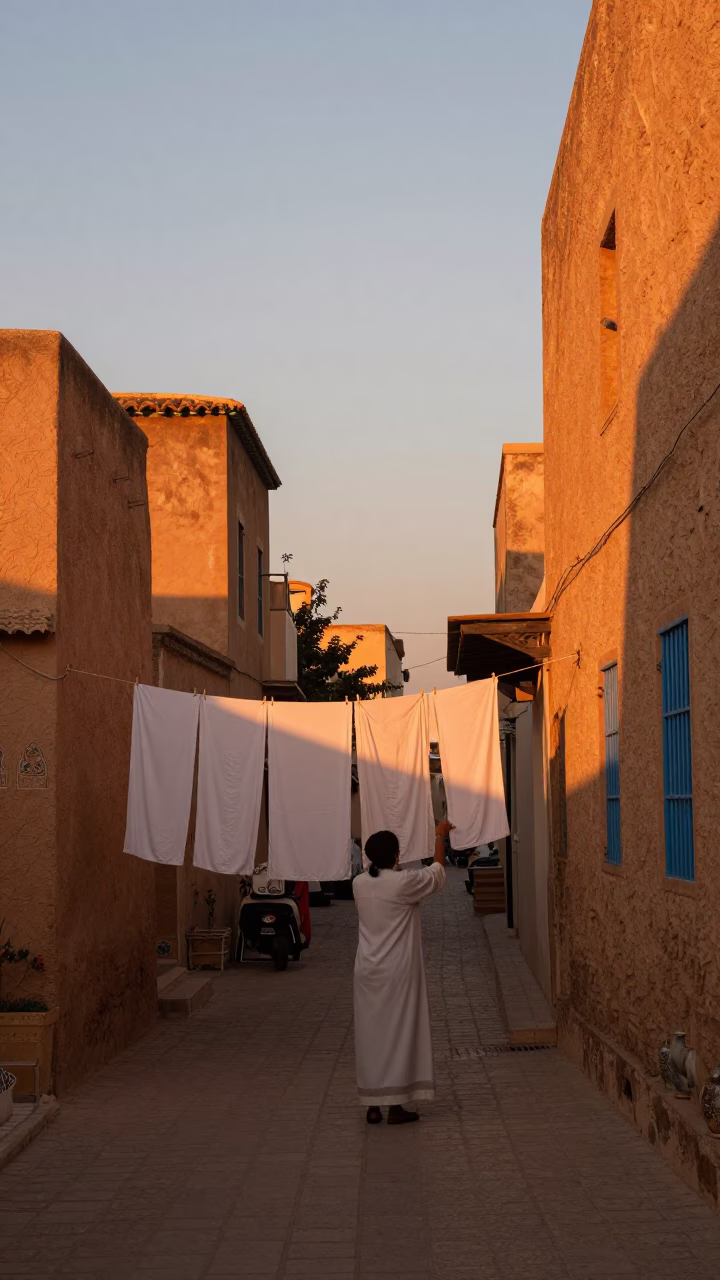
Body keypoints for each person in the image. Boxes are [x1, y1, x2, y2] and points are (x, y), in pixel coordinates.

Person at [352, 819, 454, 1125]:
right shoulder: (402, 883)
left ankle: (372, 1104)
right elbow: (437, 874)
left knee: (371, 1037)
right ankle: (396, 1106)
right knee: (399, 1035)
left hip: (367, 972)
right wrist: (438, 835)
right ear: (396, 857)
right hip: (398, 972)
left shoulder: (359, 884)